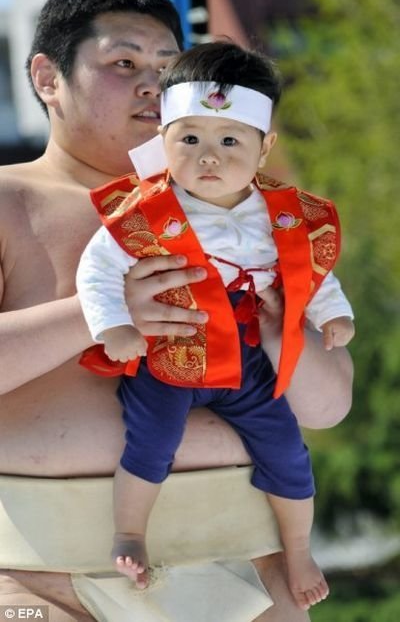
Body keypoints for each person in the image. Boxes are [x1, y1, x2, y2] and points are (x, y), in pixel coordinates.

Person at [0, 0, 354, 622]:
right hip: (43, 574)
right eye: (122, 63)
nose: (148, 85)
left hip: (250, 566)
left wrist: (287, 339)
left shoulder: (254, 211)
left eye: (165, 69)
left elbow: (329, 409)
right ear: (49, 78)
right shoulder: (8, 202)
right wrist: (99, 314)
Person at [76, 41, 354, 608]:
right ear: (163, 142)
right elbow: (98, 270)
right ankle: (130, 532)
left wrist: (333, 313)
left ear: (263, 146)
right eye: (190, 139)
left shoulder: (282, 212)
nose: (209, 157)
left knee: (287, 449)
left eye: (229, 141)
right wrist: (114, 328)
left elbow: (309, 271)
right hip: (168, 354)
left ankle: (298, 547)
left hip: (248, 359)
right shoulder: (145, 210)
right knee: (150, 443)